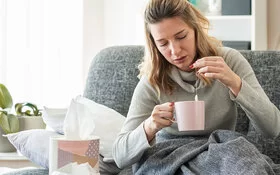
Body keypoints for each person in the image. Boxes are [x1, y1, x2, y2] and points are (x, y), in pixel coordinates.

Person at [112, 0, 280, 174]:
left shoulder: (230, 61)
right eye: (163, 43)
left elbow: (272, 129)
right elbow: (120, 156)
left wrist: (235, 83)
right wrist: (149, 127)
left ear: (196, 29)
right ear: (154, 45)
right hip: (170, 154)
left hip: (222, 150)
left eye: (181, 36)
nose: (175, 51)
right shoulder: (153, 79)